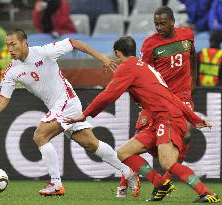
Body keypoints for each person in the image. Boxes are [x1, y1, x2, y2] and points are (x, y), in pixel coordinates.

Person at [0, 29, 139, 197]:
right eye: (7, 45)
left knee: (40, 135)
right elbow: (4, 97)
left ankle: (56, 183)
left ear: (24, 43)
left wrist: (101, 57)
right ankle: (129, 172)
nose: (10, 49)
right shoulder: (11, 71)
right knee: (91, 144)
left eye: (13, 44)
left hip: (66, 101)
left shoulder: (44, 52)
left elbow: (75, 43)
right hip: (60, 105)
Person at [65, 36, 220, 203]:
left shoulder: (127, 68)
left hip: (167, 119)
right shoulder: (145, 67)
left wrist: (84, 114)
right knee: (123, 153)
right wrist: (193, 118)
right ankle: (161, 184)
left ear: (117, 53)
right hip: (161, 118)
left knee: (167, 162)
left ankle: (207, 193)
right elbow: (171, 96)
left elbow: (108, 94)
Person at [116, 6, 197, 198]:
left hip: (182, 97)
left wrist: (192, 82)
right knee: (139, 138)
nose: (159, 27)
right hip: (157, 99)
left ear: (172, 22)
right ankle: (125, 180)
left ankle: (164, 182)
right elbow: (142, 73)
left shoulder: (187, 36)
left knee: (186, 134)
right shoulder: (150, 44)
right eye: (156, 24)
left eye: (163, 23)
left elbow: (193, 57)